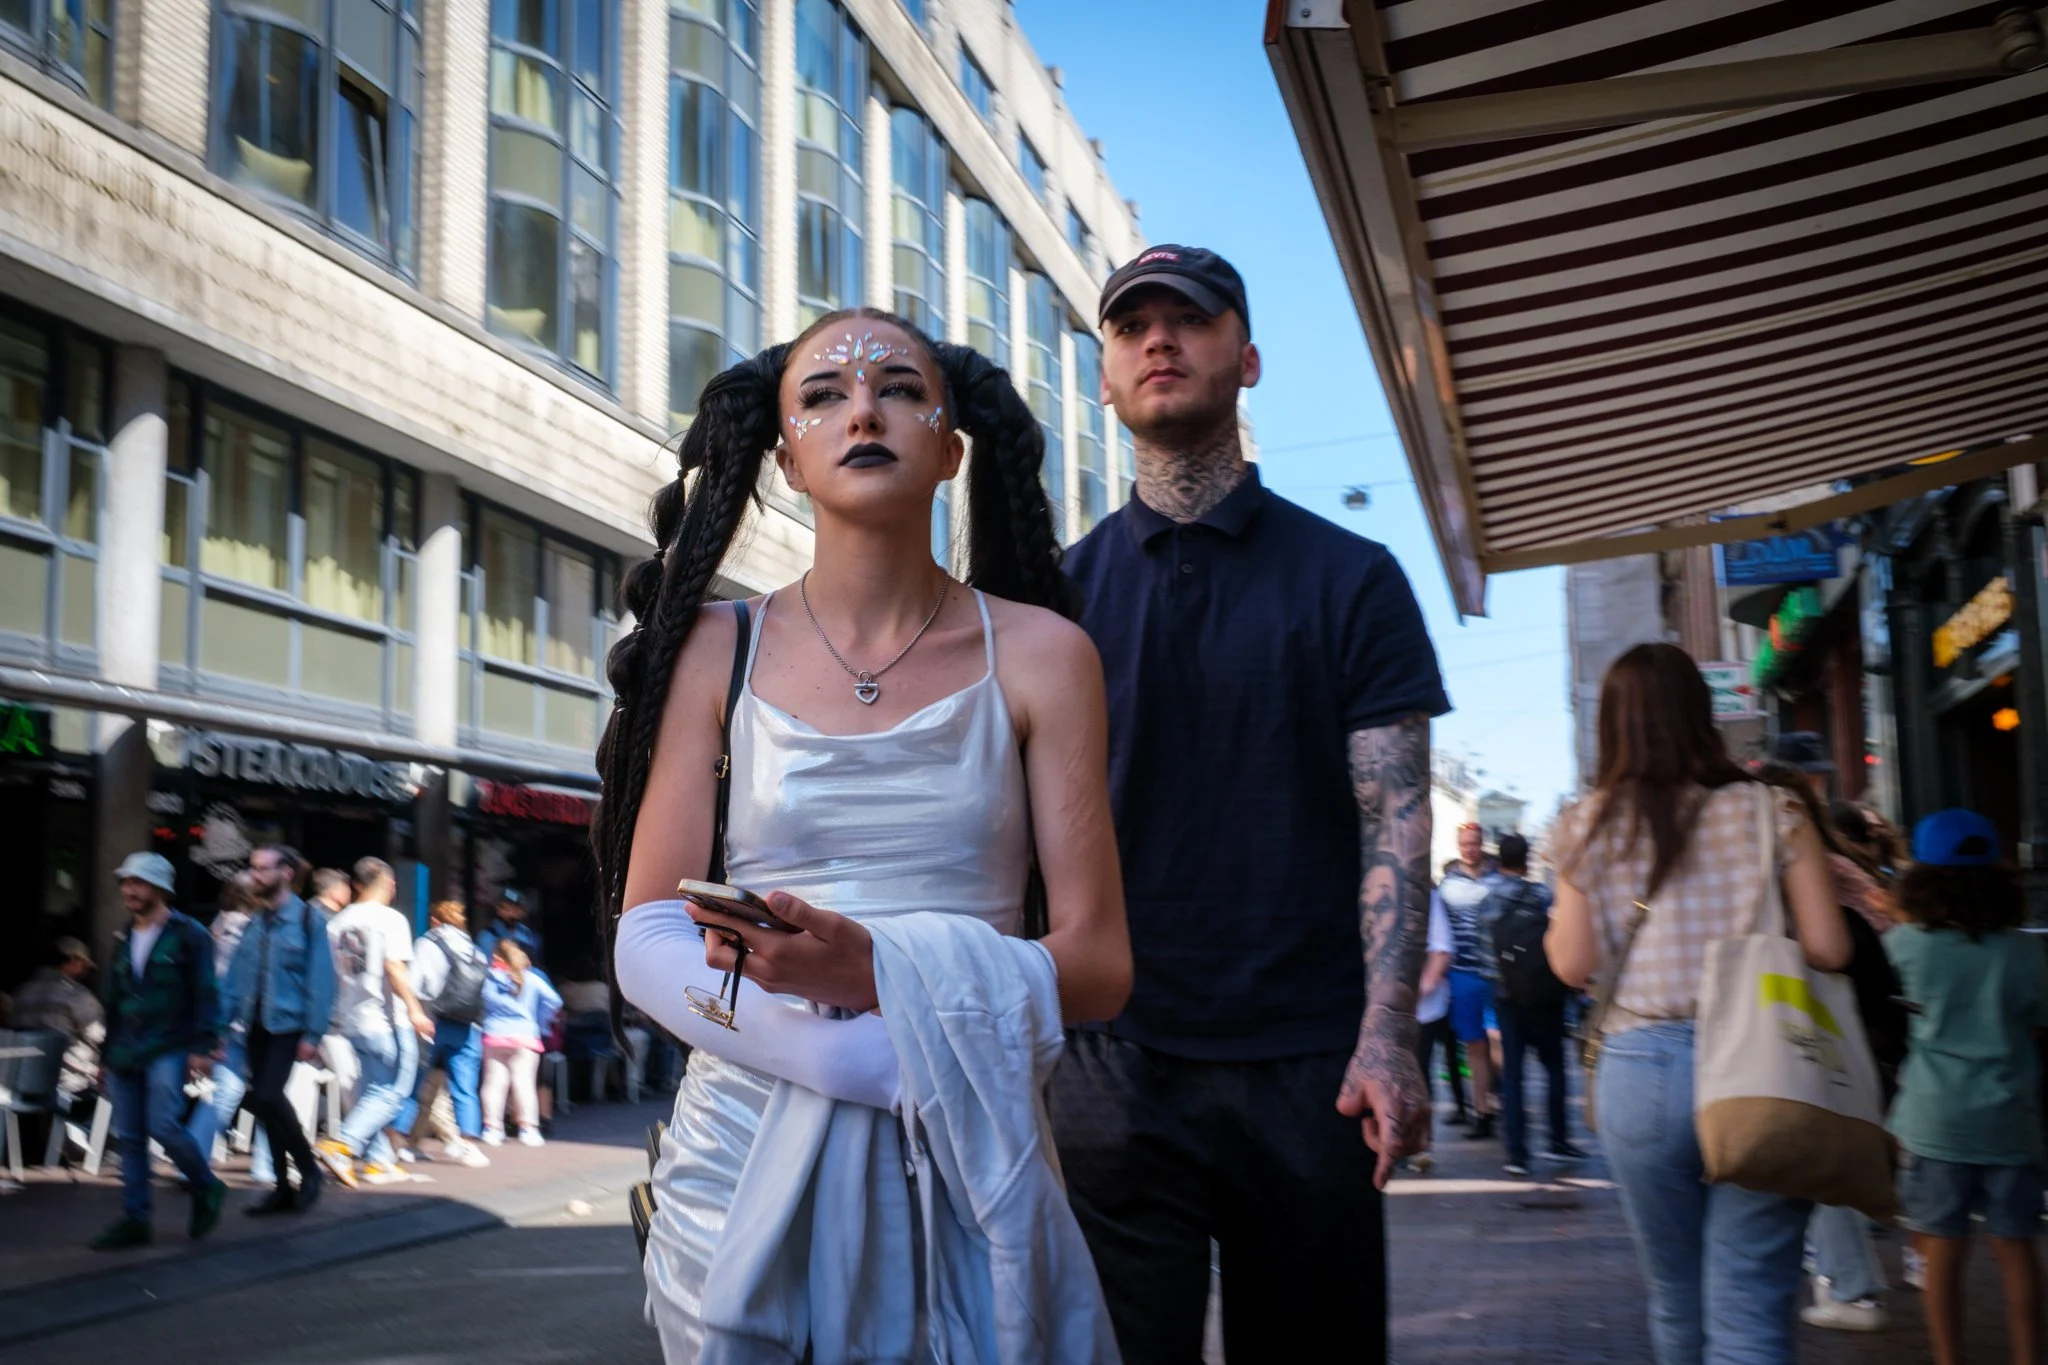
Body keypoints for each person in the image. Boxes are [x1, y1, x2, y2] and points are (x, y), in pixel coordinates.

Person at [601, 309, 1131, 1361]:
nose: (862, 411)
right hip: (733, 1168)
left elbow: (1101, 965)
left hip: (965, 1152)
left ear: (950, 449)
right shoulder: (714, 646)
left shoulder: (1045, 655)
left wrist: (880, 972)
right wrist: (850, 1056)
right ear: (787, 461)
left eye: (898, 388)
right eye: (823, 396)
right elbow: (647, 933)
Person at [1049, 245, 1447, 1363]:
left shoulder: (1352, 578)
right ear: (1104, 378)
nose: (1158, 340)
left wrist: (1386, 1037)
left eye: (1189, 318)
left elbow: (1394, 819)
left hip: (1311, 1066)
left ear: (1248, 358)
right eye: (1131, 326)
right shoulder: (1051, 598)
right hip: (1111, 1063)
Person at [1546, 643, 1851, 1364]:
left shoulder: (1585, 823)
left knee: (1675, 1296)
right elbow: (1830, 947)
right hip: (1762, 1066)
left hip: (1639, 1069)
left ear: (1613, 724)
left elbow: (1573, 964)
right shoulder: (1774, 809)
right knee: (1750, 1303)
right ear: (1699, 712)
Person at [1886, 808, 2045, 1365]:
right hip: (2011, 1117)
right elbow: (2038, 1021)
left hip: (1934, 1120)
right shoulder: (2024, 950)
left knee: (1943, 1248)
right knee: (2017, 1247)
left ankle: (1950, 1358)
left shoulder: (1906, 945)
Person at [1756, 763, 1910, 1333]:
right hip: (1871, 1024)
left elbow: (1822, 950)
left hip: (1835, 1027)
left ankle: (1849, 1285)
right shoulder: (1843, 862)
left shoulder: (1806, 867)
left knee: (1816, 1158)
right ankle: (1848, 1272)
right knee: (1830, 1151)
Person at [90, 852, 228, 1249]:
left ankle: (205, 1184)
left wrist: (203, 1046)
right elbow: (114, 1002)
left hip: (169, 1044)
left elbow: (206, 992)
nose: (129, 890)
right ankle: (136, 1217)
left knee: (163, 1125)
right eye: (126, 882)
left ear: (160, 889)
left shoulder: (189, 934)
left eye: (139, 883)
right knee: (130, 1136)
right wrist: (104, 1057)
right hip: (125, 1049)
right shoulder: (124, 936)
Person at [221, 844, 336, 1215]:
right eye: (253, 868)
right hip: (255, 1024)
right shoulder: (257, 921)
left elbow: (322, 980)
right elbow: (235, 978)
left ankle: (309, 1170)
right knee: (265, 1103)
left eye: (263, 868)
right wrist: (219, 1026)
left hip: (288, 1024)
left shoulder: (308, 920)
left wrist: (313, 1033)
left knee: (268, 1098)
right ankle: (283, 1186)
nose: (255, 875)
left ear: (286, 872)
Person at [316, 857, 433, 1188]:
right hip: (388, 1019)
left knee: (371, 1093)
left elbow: (332, 975)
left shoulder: (337, 923)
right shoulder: (390, 918)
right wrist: (415, 1009)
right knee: (394, 1093)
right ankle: (343, 1143)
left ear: (356, 885)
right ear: (391, 885)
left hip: (352, 1019)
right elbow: (394, 966)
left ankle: (378, 1161)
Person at [1487, 834, 1580, 1178]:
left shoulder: (1488, 898)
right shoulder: (1542, 895)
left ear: (1499, 860)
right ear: (1526, 860)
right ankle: (1558, 1141)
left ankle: (1517, 1154)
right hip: (1544, 998)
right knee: (1554, 1069)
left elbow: (1485, 956)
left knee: (1513, 1076)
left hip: (1506, 998)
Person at [396, 898, 491, 1168]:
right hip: (467, 1025)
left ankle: (399, 1142)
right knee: (465, 1088)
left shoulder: (428, 943)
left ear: (435, 920)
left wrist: (414, 1013)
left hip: (433, 1020)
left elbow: (415, 983)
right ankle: (470, 1145)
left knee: (414, 1081)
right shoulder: (474, 949)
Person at [1438, 822, 1501, 1141]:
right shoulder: (1447, 885)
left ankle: (1492, 1098)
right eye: (1464, 844)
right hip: (1462, 975)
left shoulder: (1497, 879)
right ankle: (1482, 1112)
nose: (1470, 849)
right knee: (1475, 1046)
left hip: (1495, 975)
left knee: (1497, 1044)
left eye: (1474, 843)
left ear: (1482, 843)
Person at [478, 940, 561, 1147]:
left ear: (497, 957)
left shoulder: (488, 978)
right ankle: (528, 1129)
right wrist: (540, 1021)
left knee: (494, 1083)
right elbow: (554, 1001)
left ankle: (492, 1129)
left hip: (494, 1034)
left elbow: (479, 1003)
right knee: (524, 1084)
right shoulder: (532, 978)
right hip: (526, 1036)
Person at [13, 936, 104, 1108]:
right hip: (70, 1088)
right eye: (84, 965)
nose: (86, 972)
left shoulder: (22, 993)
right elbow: (100, 1037)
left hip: (22, 1085)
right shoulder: (78, 996)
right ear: (73, 960)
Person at [1407, 880, 1456, 1174]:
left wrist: (1417, 991)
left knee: (1417, 1077)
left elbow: (1441, 951)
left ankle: (1420, 1144)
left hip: (1420, 1010)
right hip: (1379, 1011)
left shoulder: (1427, 896)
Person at [476, 887, 542, 965]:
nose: (511, 913)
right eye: (507, 908)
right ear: (498, 909)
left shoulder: (527, 934)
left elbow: (534, 963)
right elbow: (488, 965)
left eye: (516, 908)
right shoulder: (487, 936)